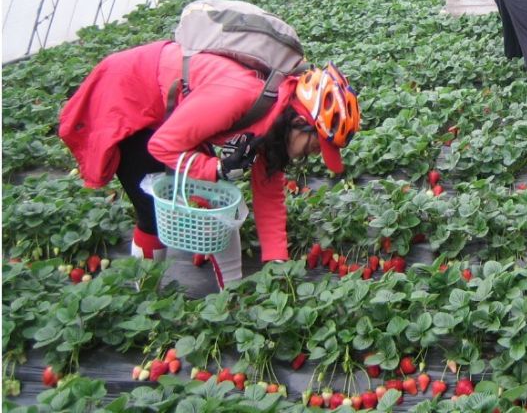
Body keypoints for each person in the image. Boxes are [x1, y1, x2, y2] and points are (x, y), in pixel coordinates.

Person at [58, 40, 360, 287]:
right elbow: (162, 145)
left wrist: (276, 262)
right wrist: (215, 169)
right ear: (299, 121)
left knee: (209, 198)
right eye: (314, 144)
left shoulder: (276, 122)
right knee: (154, 210)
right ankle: (145, 293)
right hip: (130, 94)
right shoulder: (238, 96)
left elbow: (268, 192)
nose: (314, 154)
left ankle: (229, 292)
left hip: (177, 106)